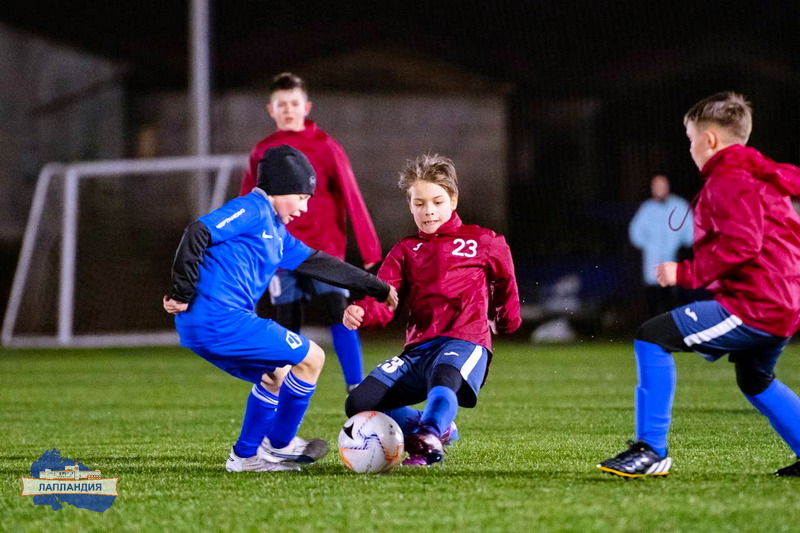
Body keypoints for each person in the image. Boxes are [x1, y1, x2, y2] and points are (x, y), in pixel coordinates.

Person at [598, 92, 800, 478]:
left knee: (653, 337)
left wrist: (685, 273)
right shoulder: (757, 173)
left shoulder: (730, 177)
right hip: (783, 300)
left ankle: (651, 450)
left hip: (755, 304)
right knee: (756, 379)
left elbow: (743, 244)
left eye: (691, 139)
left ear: (709, 139)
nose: (690, 148)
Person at [163, 145, 397, 473]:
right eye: (301, 197)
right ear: (280, 188)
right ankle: (279, 444)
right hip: (220, 317)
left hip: (207, 324)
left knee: (275, 374)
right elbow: (198, 231)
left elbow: (320, 263)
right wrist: (181, 291)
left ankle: (245, 457)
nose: (304, 207)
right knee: (312, 358)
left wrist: (377, 287)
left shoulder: (277, 234)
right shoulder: (253, 208)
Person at [343, 154, 522, 466]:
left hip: (465, 340)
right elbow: (385, 299)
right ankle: (434, 427)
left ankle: (428, 437)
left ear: (453, 200)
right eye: (420, 203)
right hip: (419, 350)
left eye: (437, 202)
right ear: (410, 205)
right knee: (359, 402)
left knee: (444, 377)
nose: (429, 210)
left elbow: (506, 284)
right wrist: (362, 312)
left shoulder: (484, 241)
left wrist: (507, 321)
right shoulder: (405, 250)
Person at [240, 72, 382, 393]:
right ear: (271, 110)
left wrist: (370, 250)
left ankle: (356, 387)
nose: (288, 110)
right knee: (286, 322)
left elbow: (351, 195)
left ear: (306, 107)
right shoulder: (263, 152)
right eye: (281, 104)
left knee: (338, 313)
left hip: (324, 250)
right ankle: (280, 391)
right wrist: (246, 250)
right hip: (280, 252)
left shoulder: (326, 146)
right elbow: (249, 203)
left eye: (294, 103)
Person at [628, 174, 693, 316]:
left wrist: (682, 244)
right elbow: (635, 232)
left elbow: (691, 230)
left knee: (676, 302)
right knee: (655, 303)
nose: (660, 189)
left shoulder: (679, 205)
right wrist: (649, 246)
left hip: (676, 262)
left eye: (662, 185)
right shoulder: (646, 209)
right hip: (653, 266)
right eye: (656, 186)